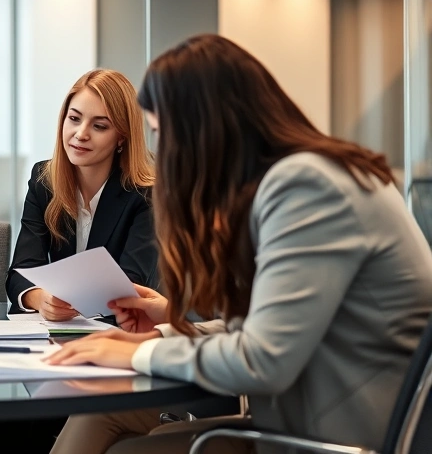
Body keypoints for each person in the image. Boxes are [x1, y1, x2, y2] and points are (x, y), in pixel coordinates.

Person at [45, 34, 432, 454]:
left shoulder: (307, 187)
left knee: (135, 450)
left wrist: (138, 355)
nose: (169, 151)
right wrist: (163, 328)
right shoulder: (300, 177)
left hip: (341, 432)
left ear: (206, 127)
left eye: (165, 132)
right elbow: (268, 329)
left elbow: (262, 359)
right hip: (294, 407)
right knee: (100, 411)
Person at [0, 69, 158, 454]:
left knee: (11, 426)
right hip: (48, 346)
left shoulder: (146, 193)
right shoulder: (45, 179)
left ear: (122, 136)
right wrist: (42, 299)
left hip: (117, 346)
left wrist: (69, 301)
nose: (80, 133)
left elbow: (131, 282)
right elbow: (20, 272)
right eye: (74, 118)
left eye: (99, 125)